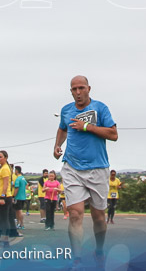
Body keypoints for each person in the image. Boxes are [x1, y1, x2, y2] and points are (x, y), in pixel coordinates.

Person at [54, 75, 118, 266]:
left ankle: (99, 250)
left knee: (98, 217)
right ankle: (77, 260)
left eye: (81, 88)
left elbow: (113, 134)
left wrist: (87, 127)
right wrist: (57, 145)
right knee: (75, 213)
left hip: (97, 167)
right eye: (74, 89)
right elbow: (63, 128)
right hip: (72, 167)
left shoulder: (100, 108)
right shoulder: (66, 110)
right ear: (71, 91)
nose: (78, 92)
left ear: (89, 88)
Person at [0, 150, 18, 245]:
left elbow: (5, 185)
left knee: (4, 219)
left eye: (1, 157)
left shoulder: (5, 169)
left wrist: (2, 197)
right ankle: (4, 237)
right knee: (4, 218)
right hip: (3, 195)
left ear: (5, 158)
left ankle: (5, 238)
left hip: (5, 195)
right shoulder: (3, 168)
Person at [13, 165, 28, 231]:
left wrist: (13, 196)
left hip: (18, 197)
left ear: (16, 171)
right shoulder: (23, 178)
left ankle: (21, 224)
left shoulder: (17, 179)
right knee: (18, 210)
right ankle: (19, 223)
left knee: (19, 211)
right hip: (23, 196)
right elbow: (26, 184)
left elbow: (16, 188)